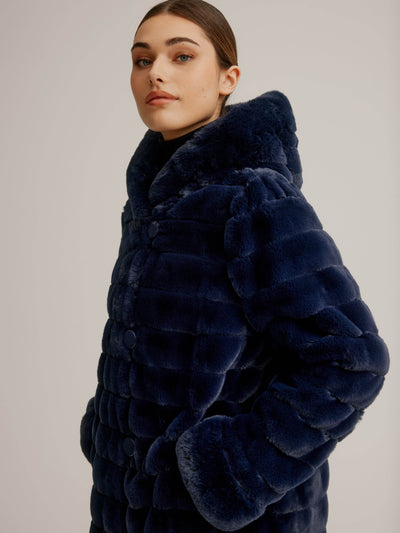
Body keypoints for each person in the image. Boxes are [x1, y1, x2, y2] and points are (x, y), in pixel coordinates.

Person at [79, 1, 390, 532]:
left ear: (229, 78)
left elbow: (350, 359)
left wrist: (232, 471)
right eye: (142, 59)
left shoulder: (252, 195)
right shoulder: (151, 203)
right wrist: (109, 426)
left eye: (181, 56)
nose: (155, 72)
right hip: (126, 507)